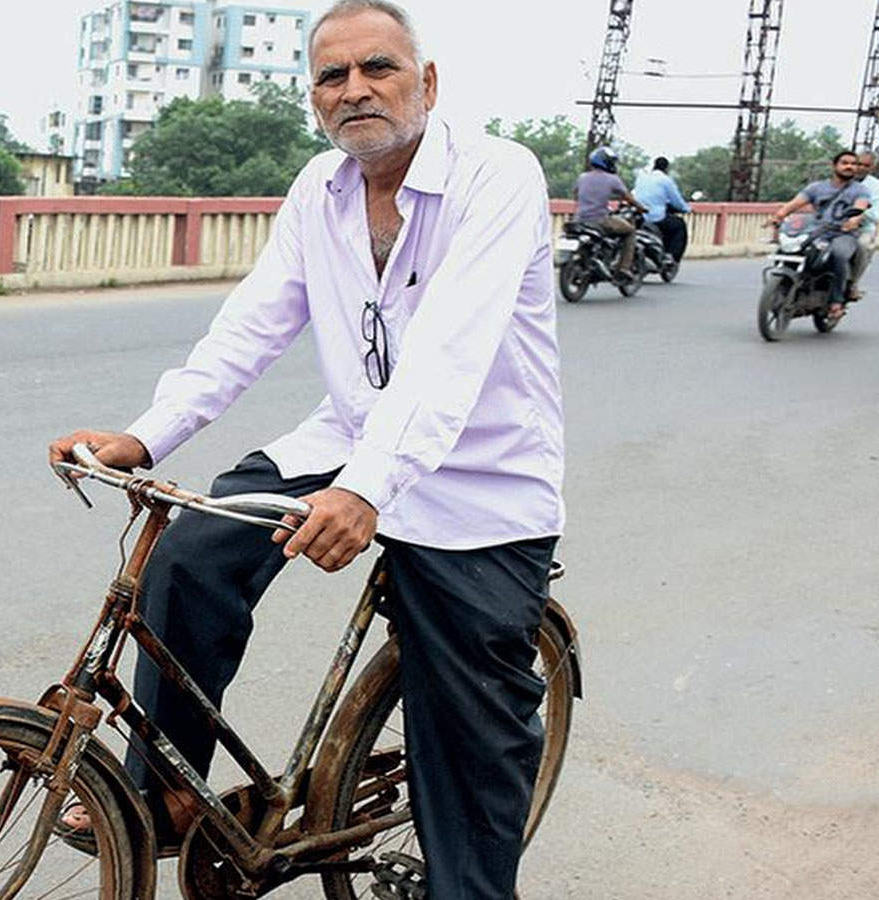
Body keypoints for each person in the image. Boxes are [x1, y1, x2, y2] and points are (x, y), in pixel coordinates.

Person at [48, 2, 564, 897]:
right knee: (192, 556)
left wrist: (366, 491)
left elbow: (448, 354)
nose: (356, 89)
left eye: (379, 68)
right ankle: (168, 790)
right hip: (353, 440)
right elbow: (248, 329)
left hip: (477, 482)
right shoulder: (318, 193)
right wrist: (146, 435)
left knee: (469, 747)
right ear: (315, 101)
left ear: (427, 83)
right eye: (333, 77)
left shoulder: (497, 177)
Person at [771, 150, 871, 319]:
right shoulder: (816, 187)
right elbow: (795, 203)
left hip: (843, 233)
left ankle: (836, 302)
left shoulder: (860, 190)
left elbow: (860, 207)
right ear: (834, 166)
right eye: (845, 163)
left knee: (839, 255)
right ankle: (784, 289)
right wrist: (779, 215)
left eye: (853, 164)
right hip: (817, 232)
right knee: (787, 250)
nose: (849, 167)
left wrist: (854, 219)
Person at [573, 146, 648, 277]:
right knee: (630, 231)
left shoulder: (582, 177)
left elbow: (576, 194)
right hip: (600, 220)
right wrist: (641, 207)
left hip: (579, 219)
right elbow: (628, 197)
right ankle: (624, 268)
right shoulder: (612, 179)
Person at [633, 156, 691, 263]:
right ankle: (671, 256)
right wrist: (687, 209)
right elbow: (676, 201)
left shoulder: (642, 177)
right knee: (679, 225)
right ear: (666, 168)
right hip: (655, 217)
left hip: (638, 215)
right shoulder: (666, 180)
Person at [850, 148, 879, 298]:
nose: (861, 168)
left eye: (866, 166)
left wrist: (860, 216)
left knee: (863, 245)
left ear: (872, 167)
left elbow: (876, 213)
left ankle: (853, 283)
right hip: (835, 226)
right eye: (859, 164)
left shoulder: (875, 187)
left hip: (862, 228)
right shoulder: (842, 179)